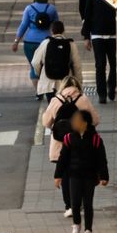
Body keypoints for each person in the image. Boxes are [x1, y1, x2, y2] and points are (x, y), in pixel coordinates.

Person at [42, 76, 99, 217]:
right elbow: (95, 120)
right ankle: (78, 204)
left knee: (65, 175)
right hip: (80, 144)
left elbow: (46, 122)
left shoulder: (56, 100)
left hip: (60, 145)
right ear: (77, 86)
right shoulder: (83, 99)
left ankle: (69, 205)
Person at [54, 109, 109, 233]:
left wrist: (104, 176)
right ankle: (77, 224)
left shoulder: (95, 139)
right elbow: (63, 158)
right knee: (75, 202)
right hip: (74, 175)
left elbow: (102, 159)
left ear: (85, 123)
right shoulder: (69, 138)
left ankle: (88, 230)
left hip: (90, 175)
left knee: (88, 203)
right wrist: (58, 175)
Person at [11, 0, 57, 94]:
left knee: (33, 66)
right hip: (46, 42)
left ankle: (38, 92)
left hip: (30, 42)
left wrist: (16, 41)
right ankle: (47, 88)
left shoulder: (29, 8)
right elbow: (56, 26)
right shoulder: (51, 9)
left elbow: (23, 26)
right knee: (46, 65)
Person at [81, 0, 117, 103]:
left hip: (113, 35)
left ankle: (112, 85)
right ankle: (102, 93)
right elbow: (87, 16)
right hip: (97, 35)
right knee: (100, 65)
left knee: (114, 64)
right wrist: (86, 36)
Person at [31, 19, 80, 104]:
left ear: (51, 31)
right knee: (65, 107)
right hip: (65, 81)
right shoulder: (70, 44)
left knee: (52, 106)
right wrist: (79, 81)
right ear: (63, 30)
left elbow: (35, 62)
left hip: (48, 81)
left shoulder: (45, 43)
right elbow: (77, 65)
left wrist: (40, 74)